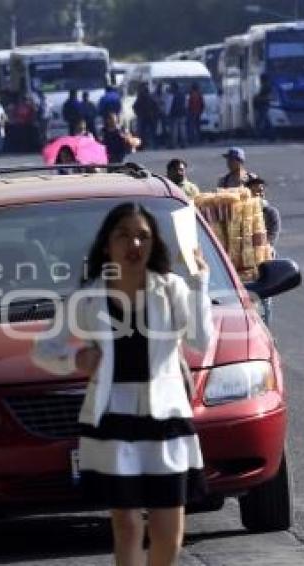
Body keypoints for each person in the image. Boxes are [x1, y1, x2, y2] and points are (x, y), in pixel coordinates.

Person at [32, 202, 213, 566]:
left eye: (143, 236)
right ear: (106, 246)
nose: (134, 244)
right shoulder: (89, 297)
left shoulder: (172, 288)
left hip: (166, 418)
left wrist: (198, 284)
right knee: (127, 525)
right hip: (112, 419)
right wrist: (74, 359)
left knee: (168, 530)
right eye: (124, 235)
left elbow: (201, 339)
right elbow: (43, 351)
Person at [245, 177, 281, 326]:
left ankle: (266, 328)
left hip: (263, 261)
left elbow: (271, 238)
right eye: (254, 192)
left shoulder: (270, 212)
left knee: (264, 298)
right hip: (244, 263)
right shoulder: (242, 213)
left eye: (260, 191)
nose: (258, 194)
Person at [133, 84, 159, 151]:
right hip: (150, 116)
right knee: (152, 132)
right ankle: (154, 145)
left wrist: (138, 113)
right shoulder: (150, 97)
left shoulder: (140, 97)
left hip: (142, 116)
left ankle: (141, 146)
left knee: (141, 132)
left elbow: (135, 106)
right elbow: (155, 106)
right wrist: (155, 113)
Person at [253, 74, 274, 141]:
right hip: (263, 105)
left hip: (263, 105)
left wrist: (257, 98)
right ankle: (269, 136)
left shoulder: (266, 87)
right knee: (264, 120)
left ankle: (267, 136)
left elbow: (265, 96)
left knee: (262, 121)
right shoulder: (265, 86)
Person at [168, 82, 188, 149]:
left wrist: (170, 113)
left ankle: (173, 144)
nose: (170, 89)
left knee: (174, 130)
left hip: (175, 114)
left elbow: (172, 105)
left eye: (171, 87)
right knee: (182, 129)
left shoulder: (174, 95)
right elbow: (185, 104)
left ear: (174, 88)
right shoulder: (183, 95)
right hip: (182, 113)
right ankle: (184, 144)